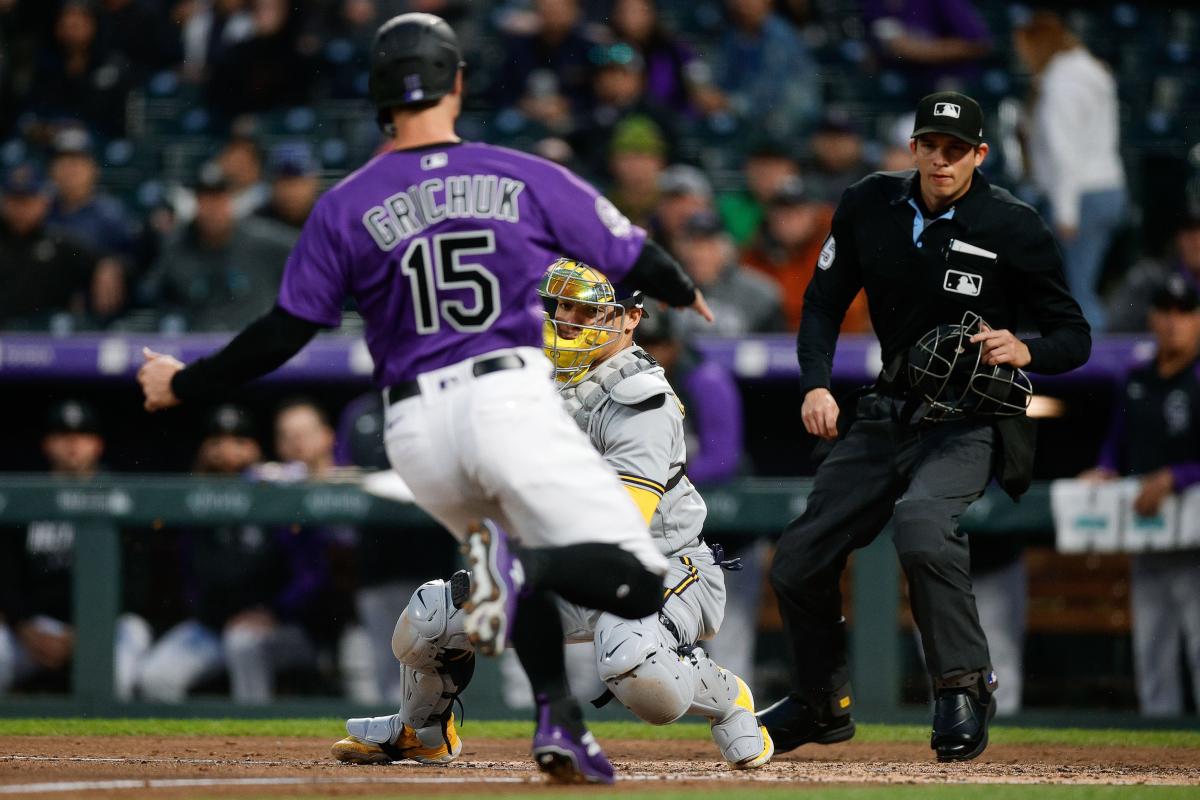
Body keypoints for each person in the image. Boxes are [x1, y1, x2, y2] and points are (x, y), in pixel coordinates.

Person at [137, 12, 711, 785]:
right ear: (458, 83)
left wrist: (183, 381)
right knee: (636, 581)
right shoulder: (521, 173)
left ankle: (558, 722)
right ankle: (521, 590)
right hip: (504, 399)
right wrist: (684, 289)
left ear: (379, 93)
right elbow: (634, 253)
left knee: (512, 547)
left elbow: (282, 333)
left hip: (412, 430)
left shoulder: (344, 204)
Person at [331, 259, 771, 770]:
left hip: (662, 565)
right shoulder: (538, 381)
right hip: (562, 561)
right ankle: (422, 731)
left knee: (634, 666)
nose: (568, 319)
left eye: (586, 309)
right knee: (432, 618)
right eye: (562, 305)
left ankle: (727, 697)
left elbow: (621, 524)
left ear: (630, 318)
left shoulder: (641, 399)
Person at [759, 91, 1090, 762]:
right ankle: (821, 701)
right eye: (931, 146)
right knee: (797, 558)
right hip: (891, 407)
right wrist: (816, 383)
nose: (942, 160)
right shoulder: (868, 203)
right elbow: (822, 304)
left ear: (980, 154)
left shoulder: (1012, 225)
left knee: (921, 526)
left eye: (957, 149)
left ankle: (964, 688)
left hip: (971, 418)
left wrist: (1026, 348)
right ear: (913, 147)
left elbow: (1074, 337)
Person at [138, 404, 330, 704]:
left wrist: (274, 612)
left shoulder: (277, 492)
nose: (228, 451)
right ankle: (184, 751)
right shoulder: (194, 499)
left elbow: (311, 575)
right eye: (217, 442)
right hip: (211, 628)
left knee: (242, 642)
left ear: (256, 448)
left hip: (280, 628)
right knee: (155, 679)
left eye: (239, 441)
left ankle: (256, 744)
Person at [1080, 276, 1200, 717]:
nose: (1173, 323)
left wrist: (1176, 476)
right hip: (1149, 534)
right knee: (1152, 647)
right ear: (1152, 318)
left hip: (1195, 539)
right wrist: (1106, 469)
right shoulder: (1137, 377)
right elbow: (1117, 441)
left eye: (1184, 313)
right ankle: (1162, 748)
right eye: (1165, 312)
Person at [0, 400, 152, 699]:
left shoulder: (121, 497)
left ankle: (116, 747)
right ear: (47, 444)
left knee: (119, 674)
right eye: (62, 435)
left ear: (97, 445)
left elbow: (137, 584)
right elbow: (7, 575)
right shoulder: (26, 498)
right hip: (39, 627)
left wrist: (90, 632)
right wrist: (24, 626)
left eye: (82, 436)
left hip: (109, 623)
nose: (72, 444)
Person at [1014, 10, 1126, 331]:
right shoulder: (1090, 71)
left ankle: (1091, 369)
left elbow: (1064, 152)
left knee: (1077, 291)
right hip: (1106, 188)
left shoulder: (1061, 85)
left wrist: (1066, 212)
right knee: (1079, 286)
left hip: (1081, 196)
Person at [138, 162, 296, 331]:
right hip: (195, 347)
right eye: (205, 199)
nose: (212, 208)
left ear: (230, 202)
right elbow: (148, 294)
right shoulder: (176, 246)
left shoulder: (264, 241)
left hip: (253, 346)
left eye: (219, 199)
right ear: (196, 203)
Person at [0, 164, 125, 329]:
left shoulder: (59, 241)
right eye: (14, 200)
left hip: (49, 335)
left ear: (43, 202)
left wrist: (108, 264)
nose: (20, 209)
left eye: (28, 200)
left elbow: (105, 259)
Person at [741, 176, 870, 333]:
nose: (789, 220)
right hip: (772, 346)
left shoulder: (841, 248)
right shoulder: (754, 254)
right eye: (781, 212)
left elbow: (852, 314)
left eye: (798, 212)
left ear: (814, 214)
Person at [672, 211, 785, 340]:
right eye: (692, 246)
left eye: (708, 247)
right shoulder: (664, 289)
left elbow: (775, 349)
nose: (698, 255)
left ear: (725, 249)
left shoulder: (760, 294)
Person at [1107, 211, 1200, 333]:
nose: (1197, 243)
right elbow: (1118, 332)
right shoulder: (1149, 280)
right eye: (1190, 235)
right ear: (1178, 238)